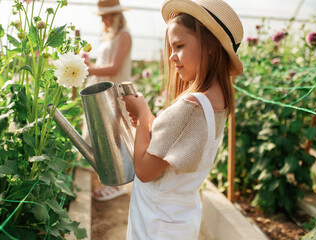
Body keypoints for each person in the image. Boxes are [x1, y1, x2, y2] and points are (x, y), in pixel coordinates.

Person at [122, 0, 243, 238]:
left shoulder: (190, 106)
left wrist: (143, 113)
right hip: (180, 220)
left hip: (153, 221)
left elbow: (145, 171)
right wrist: (147, 124)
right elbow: (174, 143)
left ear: (209, 43)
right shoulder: (216, 102)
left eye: (179, 46)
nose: (171, 57)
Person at [82, 0, 132, 201]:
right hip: (102, 91)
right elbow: (104, 65)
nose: (103, 19)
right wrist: (90, 64)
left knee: (115, 138)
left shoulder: (124, 35)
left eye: (106, 15)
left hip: (112, 93)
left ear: (117, 15)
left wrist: (88, 69)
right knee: (102, 136)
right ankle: (112, 179)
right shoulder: (109, 36)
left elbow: (114, 68)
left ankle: (120, 184)